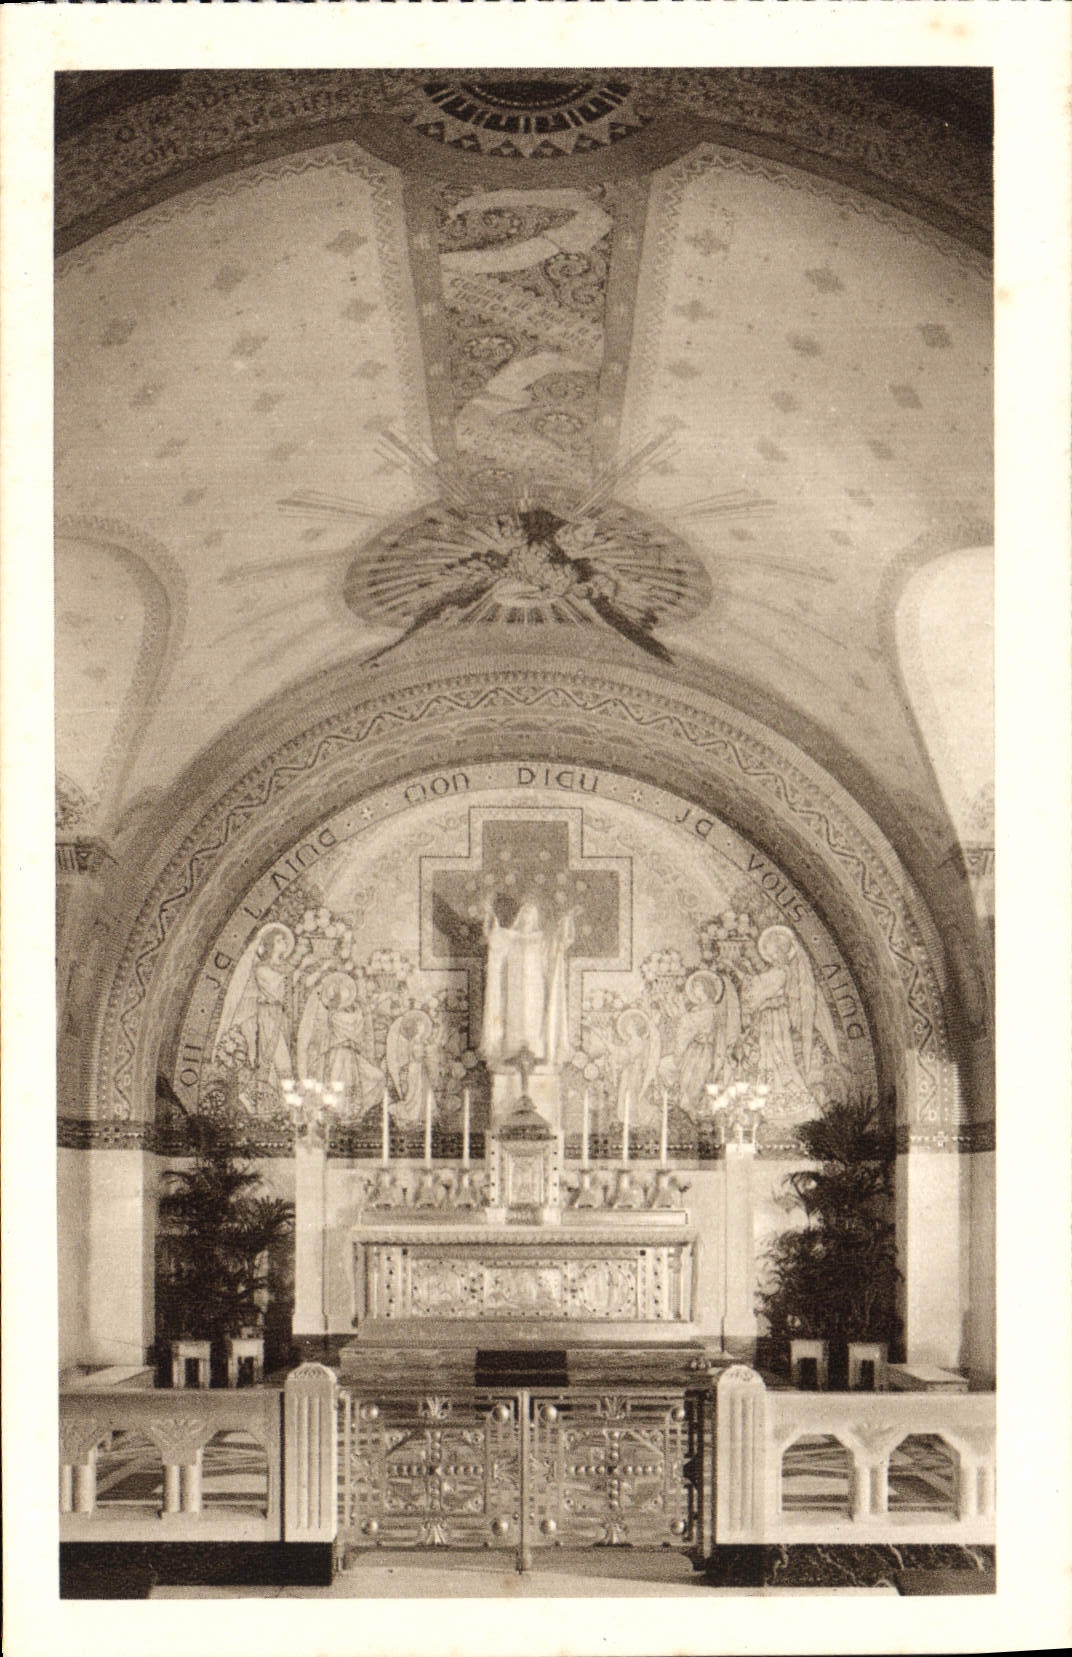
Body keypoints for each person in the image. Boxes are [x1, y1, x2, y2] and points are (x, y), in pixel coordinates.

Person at [480, 896, 574, 1067]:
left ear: (535, 919)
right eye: (524, 915)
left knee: (535, 1020)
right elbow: (494, 940)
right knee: (512, 1018)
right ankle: (510, 1053)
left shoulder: (542, 940)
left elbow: (557, 948)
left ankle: (538, 1053)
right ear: (519, 918)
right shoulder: (509, 938)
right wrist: (490, 918)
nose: (527, 919)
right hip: (513, 989)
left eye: (530, 915)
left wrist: (565, 925)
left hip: (535, 990)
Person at [213, 923, 298, 1104]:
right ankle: (269, 1100)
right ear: (270, 945)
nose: (283, 942)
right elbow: (274, 981)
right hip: (267, 1016)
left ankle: (281, 1102)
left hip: (281, 1017)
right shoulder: (262, 969)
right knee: (274, 1056)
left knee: (284, 1057)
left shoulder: (284, 970)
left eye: (284, 940)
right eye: (279, 940)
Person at [296, 971, 386, 1116]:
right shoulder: (329, 1012)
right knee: (337, 1085)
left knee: (374, 1079)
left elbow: (364, 1036)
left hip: (351, 1054)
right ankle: (338, 1114)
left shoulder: (357, 1009)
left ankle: (350, 1114)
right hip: (337, 1054)